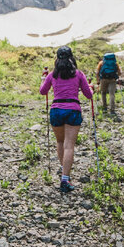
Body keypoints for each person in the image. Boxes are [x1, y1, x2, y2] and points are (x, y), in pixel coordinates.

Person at [39, 46, 94, 193]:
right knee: (69, 145)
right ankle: (65, 179)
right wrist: (91, 88)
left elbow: (43, 91)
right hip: (73, 110)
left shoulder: (52, 75)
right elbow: (89, 95)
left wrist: (43, 79)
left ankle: (64, 169)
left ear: (57, 59)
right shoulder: (78, 74)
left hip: (56, 110)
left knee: (60, 142)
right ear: (71, 58)